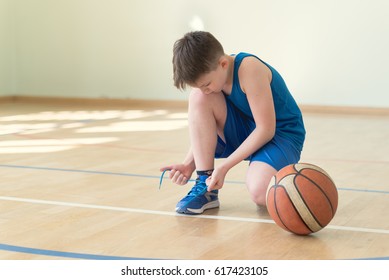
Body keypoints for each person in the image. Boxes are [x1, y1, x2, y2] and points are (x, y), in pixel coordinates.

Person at [160, 31, 305, 215]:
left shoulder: (249, 68)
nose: (205, 90)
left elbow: (266, 129)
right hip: (246, 127)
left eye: (207, 84)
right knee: (197, 97)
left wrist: (225, 166)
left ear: (223, 63)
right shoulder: (212, 82)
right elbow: (204, 127)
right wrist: (189, 163)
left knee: (261, 194)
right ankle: (206, 188)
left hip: (280, 134)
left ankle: (297, 182)